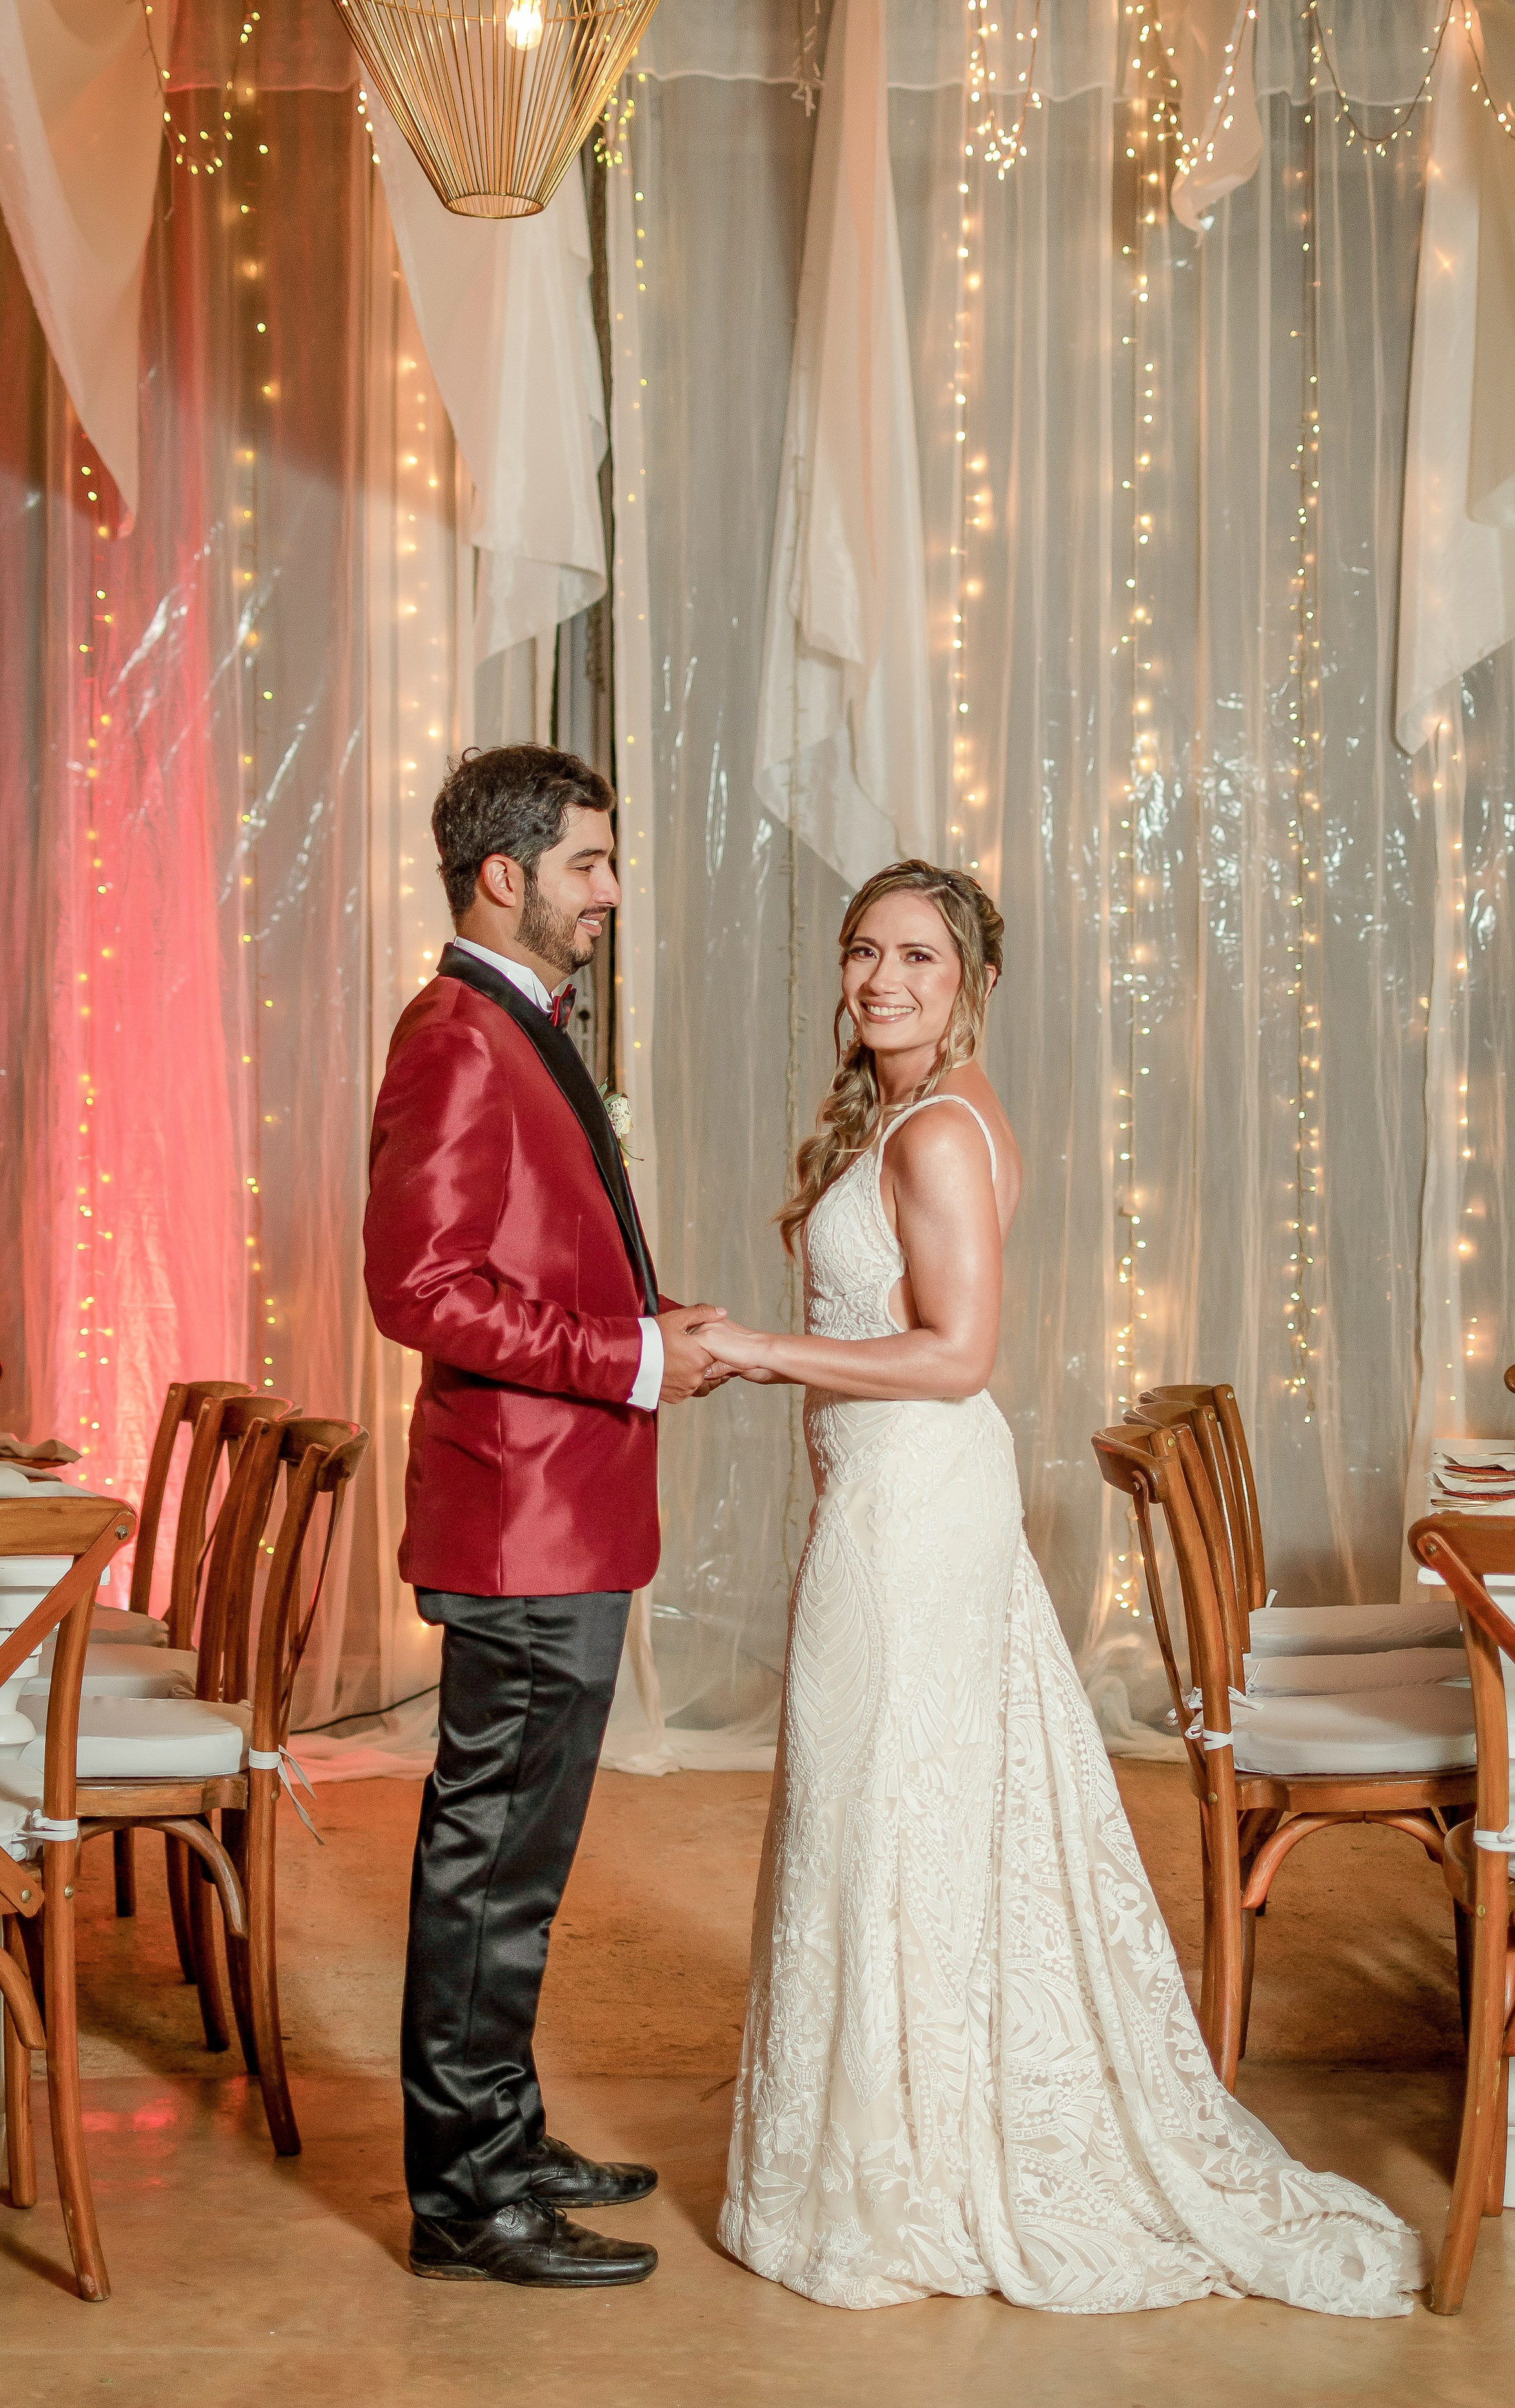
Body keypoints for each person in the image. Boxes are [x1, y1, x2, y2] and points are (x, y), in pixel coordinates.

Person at [698, 859, 1422, 2318]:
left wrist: (757, 1349)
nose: (881, 978)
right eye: (862, 951)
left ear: (971, 980)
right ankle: (894, 2139)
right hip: (891, 1494)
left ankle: (904, 2173)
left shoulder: (939, 1131)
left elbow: (957, 1352)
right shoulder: (910, 1112)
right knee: (890, 1811)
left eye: (917, 955)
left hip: (914, 1511)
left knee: (885, 1810)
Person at [363, 744, 727, 2290]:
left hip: (556, 1520)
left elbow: (530, 1255)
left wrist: (649, 1316)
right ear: (503, 875)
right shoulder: (456, 1035)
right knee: (490, 1864)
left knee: (516, 1863)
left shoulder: (513, 1022)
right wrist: (629, 1358)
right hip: (519, 1528)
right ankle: (465, 2200)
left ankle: (499, 2139)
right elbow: (419, 1289)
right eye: (589, 862)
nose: (611, 891)